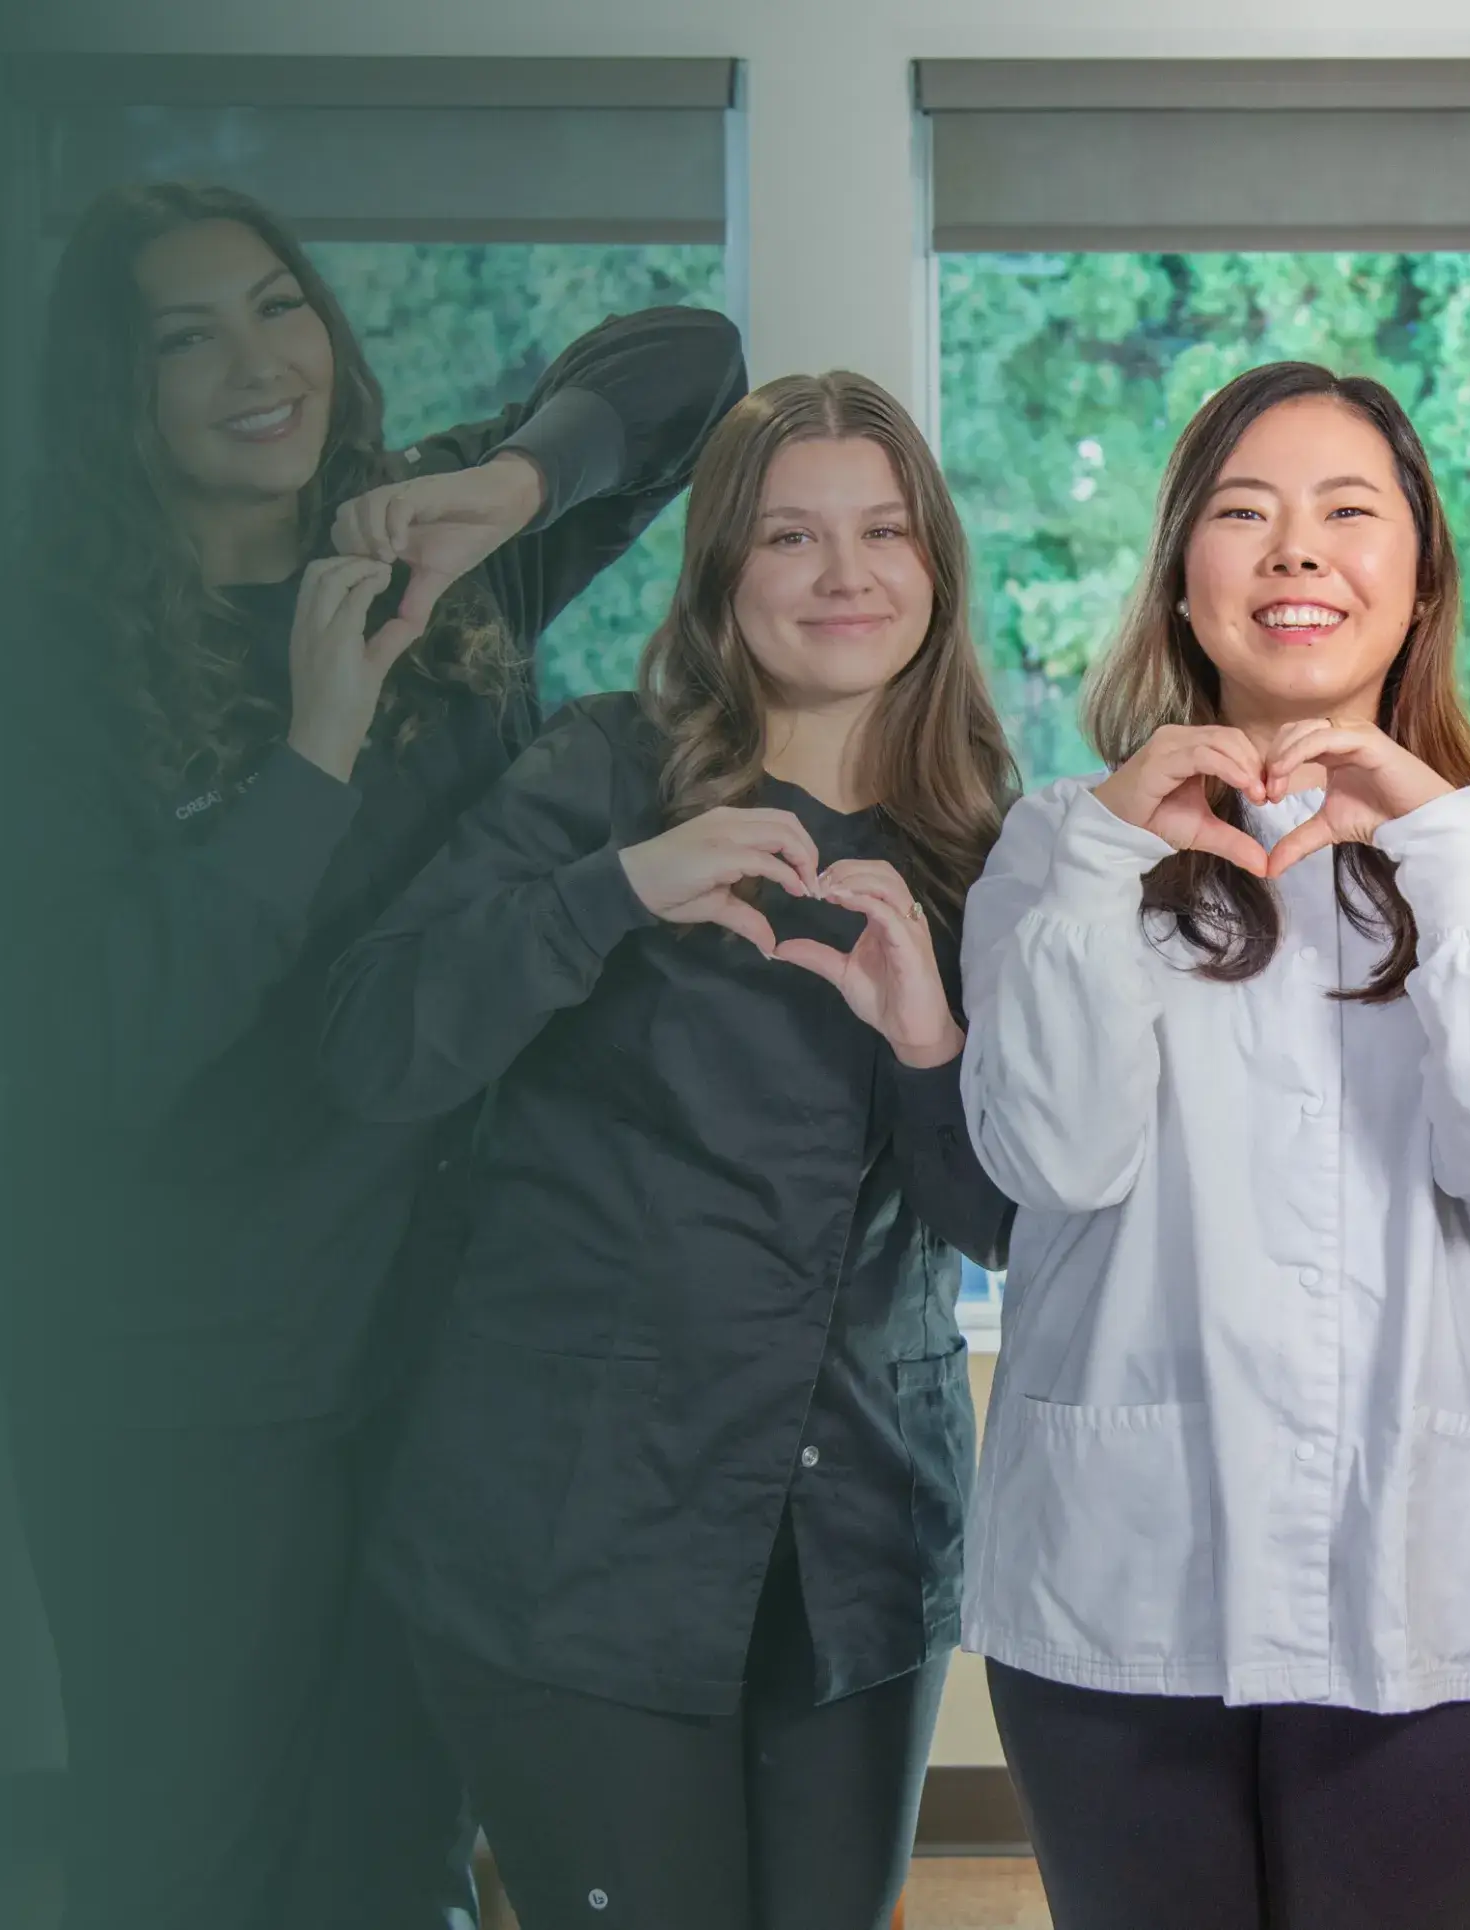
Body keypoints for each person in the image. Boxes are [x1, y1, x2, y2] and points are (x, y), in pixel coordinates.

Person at [0, 180, 741, 1929]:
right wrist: (314, 751)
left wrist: (515, 483)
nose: (260, 362)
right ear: (117, 395)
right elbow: (107, 1040)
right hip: (172, 1368)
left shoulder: (436, 555)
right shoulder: (35, 662)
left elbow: (691, 359)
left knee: (393, 1846)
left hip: (435, 1341)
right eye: (187, 336)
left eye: (278, 305)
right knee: (187, 1848)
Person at [320, 369, 1016, 1930]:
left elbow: (1005, 1219)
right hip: (577, 1540)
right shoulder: (598, 774)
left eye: (883, 531)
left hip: (855, 1554)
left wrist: (927, 1039)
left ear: (935, 569)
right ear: (719, 580)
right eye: (789, 537)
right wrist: (618, 890)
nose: (844, 574)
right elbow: (373, 1045)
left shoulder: (987, 843)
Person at [955, 360, 1470, 1930]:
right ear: (1185, 583)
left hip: (1418, 1577)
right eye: (1245, 514)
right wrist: (1121, 852)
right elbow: (1046, 1153)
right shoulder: (1065, 838)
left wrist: (1441, 846)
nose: (1297, 553)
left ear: (1419, 579)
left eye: (1348, 513)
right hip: (1125, 1579)